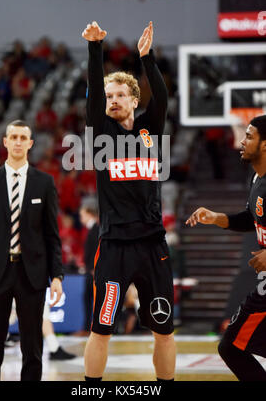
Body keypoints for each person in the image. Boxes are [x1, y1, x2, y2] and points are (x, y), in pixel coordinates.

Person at [81, 21, 175, 382]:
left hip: (152, 243)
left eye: (120, 94)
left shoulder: (149, 130)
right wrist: (94, 48)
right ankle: (91, 388)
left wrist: (147, 58)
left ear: (135, 100)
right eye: (109, 95)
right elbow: (93, 91)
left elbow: (163, 98)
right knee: (101, 329)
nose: (113, 100)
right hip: (115, 245)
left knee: (163, 330)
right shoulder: (100, 132)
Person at [0, 119, 64, 381]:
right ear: (5, 142)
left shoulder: (44, 183)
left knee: (32, 350)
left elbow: (52, 235)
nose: (18, 141)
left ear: (30, 143)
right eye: (14, 137)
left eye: (23, 137)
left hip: (31, 273)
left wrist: (57, 276)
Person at [186, 115, 266, 381]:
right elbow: (250, 217)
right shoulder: (256, 178)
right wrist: (217, 217)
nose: (241, 141)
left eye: (250, 136)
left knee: (231, 346)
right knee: (231, 346)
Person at [79, 196, 100, 335]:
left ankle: (91, 327)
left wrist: (94, 268)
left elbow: (98, 249)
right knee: (87, 297)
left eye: (82, 215)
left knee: (94, 298)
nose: (80, 218)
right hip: (90, 269)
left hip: (94, 271)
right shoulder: (92, 229)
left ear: (89, 213)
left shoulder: (97, 228)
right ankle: (88, 326)